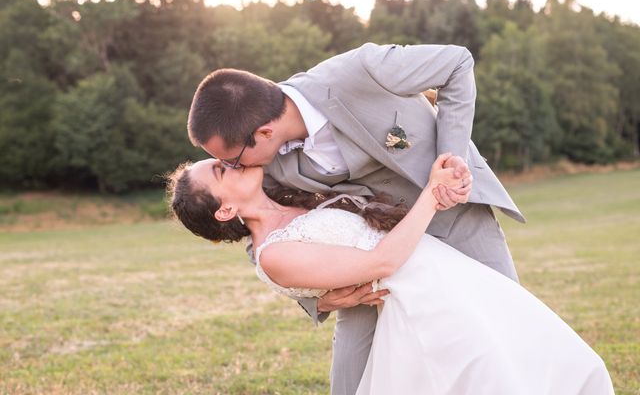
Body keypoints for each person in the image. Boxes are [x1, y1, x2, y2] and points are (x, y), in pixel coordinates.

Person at [186, 43, 524, 394]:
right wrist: (314, 299)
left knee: (509, 332)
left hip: (457, 218)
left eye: (235, 159)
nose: (236, 168)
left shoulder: (360, 71)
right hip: (367, 266)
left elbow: (456, 63)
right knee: (350, 379)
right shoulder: (265, 164)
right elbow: (259, 236)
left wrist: (450, 159)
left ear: (264, 134)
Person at [166, 155, 614, 395]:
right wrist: (432, 197)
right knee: (492, 379)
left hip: (452, 278)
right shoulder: (273, 256)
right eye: (222, 170)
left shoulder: (291, 192)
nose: (232, 160)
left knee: (553, 362)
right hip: (422, 304)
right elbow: (380, 264)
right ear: (225, 209)